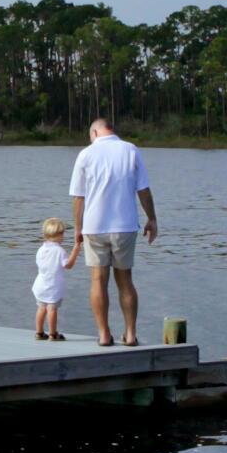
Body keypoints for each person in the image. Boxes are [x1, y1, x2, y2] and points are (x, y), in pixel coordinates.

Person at [63, 118, 158, 347]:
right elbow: (143, 189)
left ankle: (104, 335)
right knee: (125, 281)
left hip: (94, 227)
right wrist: (152, 219)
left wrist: (78, 228)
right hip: (124, 225)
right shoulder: (130, 150)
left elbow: (78, 197)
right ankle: (131, 334)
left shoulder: (85, 154)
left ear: (94, 132)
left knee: (98, 280)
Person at [32, 217, 70, 340]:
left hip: (40, 285)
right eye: (63, 233)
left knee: (41, 308)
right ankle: (53, 334)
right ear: (58, 234)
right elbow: (68, 265)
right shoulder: (60, 251)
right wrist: (76, 249)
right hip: (53, 286)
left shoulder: (41, 249)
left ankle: (39, 332)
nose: (64, 236)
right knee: (52, 309)